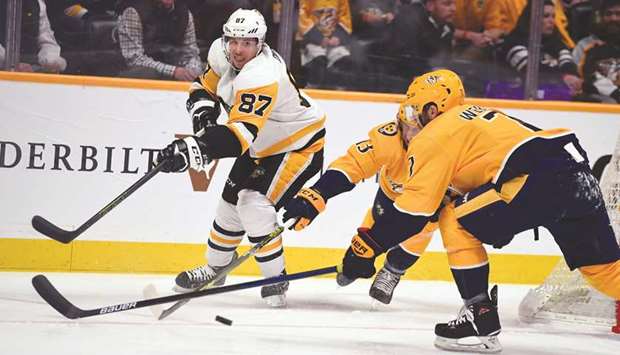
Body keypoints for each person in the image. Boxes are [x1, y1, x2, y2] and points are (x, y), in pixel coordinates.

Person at [284, 68, 620, 353]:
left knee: (453, 216)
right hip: (577, 174)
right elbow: (357, 168)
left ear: (434, 109)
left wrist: (366, 250)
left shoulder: (435, 136)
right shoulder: (469, 117)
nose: (410, 119)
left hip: (539, 181)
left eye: (416, 110)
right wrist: (321, 198)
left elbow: (415, 215)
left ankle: (479, 316)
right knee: (604, 271)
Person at [156, 8, 326, 308]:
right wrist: (204, 121)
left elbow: (239, 136)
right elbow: (202, 88)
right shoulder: (221, 54)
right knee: (229, 203)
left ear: (259, 43)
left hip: (298, 145)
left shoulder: (262, 74)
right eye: (233, 40)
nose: (237, 49)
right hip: (263, 142)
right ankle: (215, 267)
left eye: (246, 42)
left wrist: (194, 149)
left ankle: (275, 280)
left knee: (253, 203)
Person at [281, 81, 447, 304]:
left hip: (428, 205)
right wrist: (319, 192)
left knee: (418, 234)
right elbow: (354, 164)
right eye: (406, 126)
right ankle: (356, 259)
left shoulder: (453, 148)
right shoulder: (390, 139)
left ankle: (393, 270)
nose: (409, 135)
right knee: (376, 226)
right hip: (392, 195)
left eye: (417, 130)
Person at [498, 0, 583, 98]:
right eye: (546, 16)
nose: (551, 21)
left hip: (555, 98)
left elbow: (568, 63)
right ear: (531, 18)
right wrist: (563, 78)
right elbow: (533, 72)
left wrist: (574, 80)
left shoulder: (555, 42)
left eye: (553, 16)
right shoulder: (513, 43)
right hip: (521, 100)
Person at [116, 0, 204, 81]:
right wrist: (173, 71)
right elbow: (134, 59)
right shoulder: (133, 11)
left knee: (210, 70)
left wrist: (193, 72)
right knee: (149, 74)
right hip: (141, 74)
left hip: (175, 66)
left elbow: (191, 52)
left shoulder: (185, 14)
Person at [386, 0, 455, 88]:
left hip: (431, 83)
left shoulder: (447, 28)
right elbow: (403, 59)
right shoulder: (409, 20)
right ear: (430, 5)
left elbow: (445, 61)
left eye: (454, 4)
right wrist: (432, 72)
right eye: (447, 4)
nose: (453, 9)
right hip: (397, 82)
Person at [297, 0, 354, 88]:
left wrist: (337, 37)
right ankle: (311, 90)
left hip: (334, 42)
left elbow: (345, 18)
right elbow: (302, 18)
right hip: (312, 41)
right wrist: (319, 38)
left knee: (343, 61)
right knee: (318, 62)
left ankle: (339, 93)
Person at [0, 0, 67, 73]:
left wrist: (50, 60)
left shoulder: (38, 3)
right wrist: (11, 63)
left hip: (31, 71)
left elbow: (46, 39)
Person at [574, 0, 620, 103]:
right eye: (608, 14)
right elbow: (576, 81)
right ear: (600, 17)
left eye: (618, 14)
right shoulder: (584, 45)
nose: (613, 18)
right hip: (596, 107)